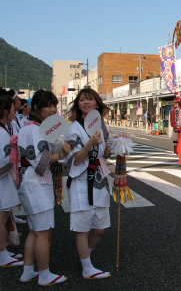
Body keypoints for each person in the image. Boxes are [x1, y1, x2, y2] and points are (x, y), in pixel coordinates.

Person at [18, 89, 70, 286]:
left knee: (34, 231)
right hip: (36, 185)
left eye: (54, 105)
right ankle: (45, 274)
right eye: (47, 105)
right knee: (43, 232)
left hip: (28, 183)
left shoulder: (27, 127)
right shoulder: (36, 130)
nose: (52, 109)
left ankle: (28, 271)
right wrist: (62, 153)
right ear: (37, 108)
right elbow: (41, 163)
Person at [65, 88, 111, 280]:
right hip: (82, 181)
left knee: (99, 229)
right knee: (83, 229)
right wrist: (90, 142)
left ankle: (87, 256)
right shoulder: (74, 128)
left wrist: (116, 146)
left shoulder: (99, 125)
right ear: (78, 104)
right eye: (82, 100)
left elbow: (104, 153)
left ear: (97, 104)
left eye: (90, 99)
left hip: (99, 180)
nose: (86, 103)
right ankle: (87, 268)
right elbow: (77, 158)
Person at [0, 95, 23, 268]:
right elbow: (3, 158)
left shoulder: (5, 128)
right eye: (13, 109)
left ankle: (4, 252)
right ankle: (2, 253)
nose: (15, 112)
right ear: (6, 111)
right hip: (2, 180)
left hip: (6, 179)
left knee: (4, 215)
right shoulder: (1, 131)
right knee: (1, 219)